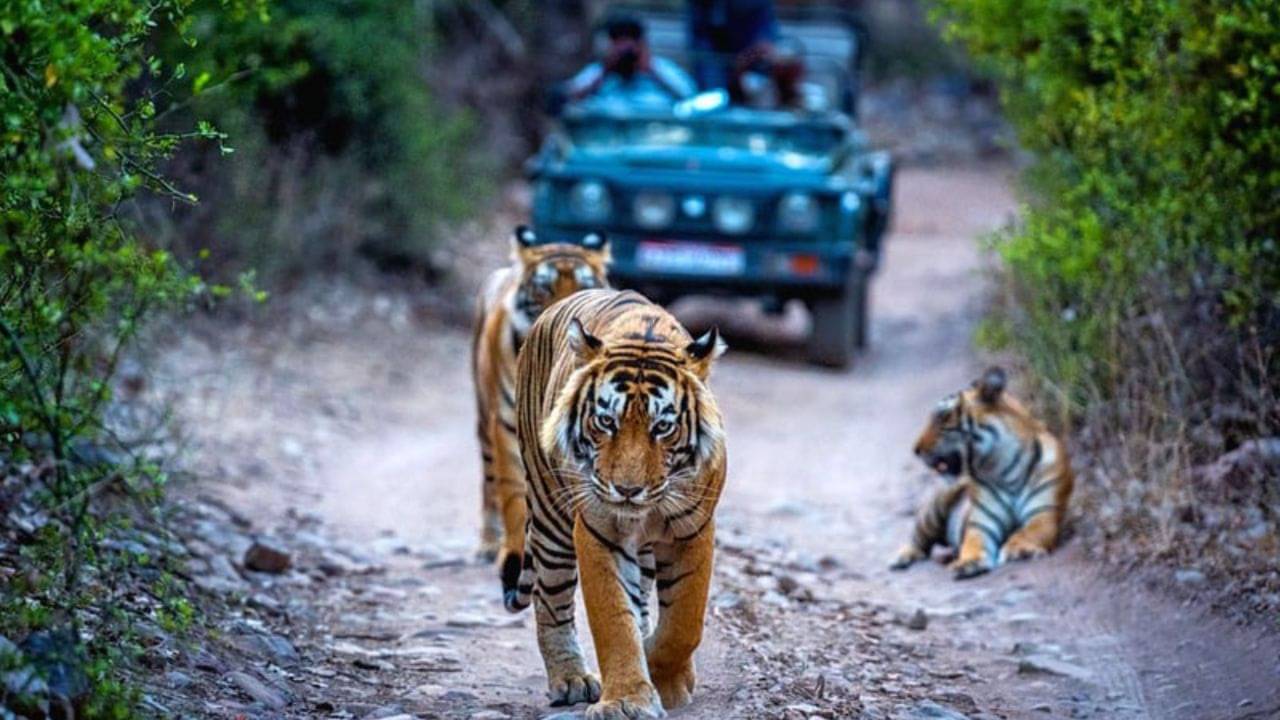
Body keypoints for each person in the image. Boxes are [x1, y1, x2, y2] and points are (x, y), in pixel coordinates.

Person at [563, 13, 697, 109]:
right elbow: (571, 98)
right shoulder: (597, 71)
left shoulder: (661, 69)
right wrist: (605, 71)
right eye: (618, 42)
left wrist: (651, 71)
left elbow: (689, 97)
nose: (624, 50)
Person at [687, 0, 803, 108]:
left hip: (750, 41)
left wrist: (759, 52)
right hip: (714, 44)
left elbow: (765, 39)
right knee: (713, 94)